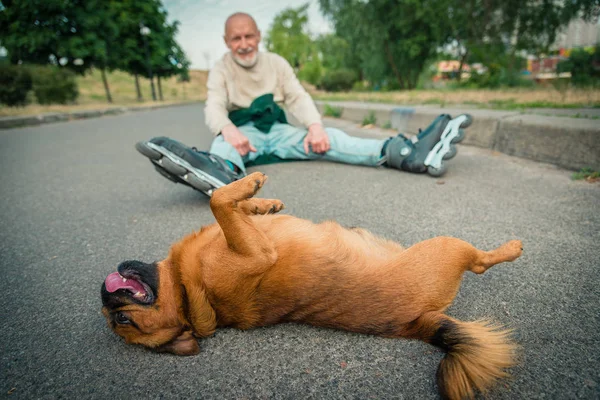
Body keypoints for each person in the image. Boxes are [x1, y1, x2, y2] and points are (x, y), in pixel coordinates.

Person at [135, 12, 472, 197]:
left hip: (279, 131)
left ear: (258, 36)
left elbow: (297, 96)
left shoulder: (277, 63)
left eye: (248, 36)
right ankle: (221, 177)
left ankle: (405, 154)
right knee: (224, 147)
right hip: (241, 132)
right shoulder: (221, 67)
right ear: (226, 41)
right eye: (236, 38)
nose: (243, 44)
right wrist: (228, 128)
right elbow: (214, 104)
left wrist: (314, 126)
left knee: (332, 139)